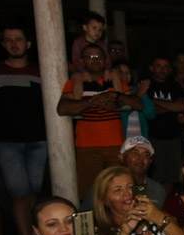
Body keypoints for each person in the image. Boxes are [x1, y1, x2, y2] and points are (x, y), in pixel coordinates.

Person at [57, 44, 143, 198]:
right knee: (88, 189)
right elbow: (62, 109)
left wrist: (115, 96)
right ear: (82, 61)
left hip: (116, 145)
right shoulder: (76, 83)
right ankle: (90, 221)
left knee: (120, 186)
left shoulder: (115, 82)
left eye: (98, 57)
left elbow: (138, 104)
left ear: (105, 60)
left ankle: (120, 220)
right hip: (87, 146)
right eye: (89, 57)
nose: (94, 60)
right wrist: (93, 101)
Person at [0, 23, 46, 235]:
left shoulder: (41, 71)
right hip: (7, 142)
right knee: (19, 193)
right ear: (3, 44)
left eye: (18, 39)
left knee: (33, 193)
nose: (14, 43)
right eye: (9, 39)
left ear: (28, 43)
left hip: (39, 140)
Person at [81, 136, 166, 210]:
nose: (140, 158)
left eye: (146, 155)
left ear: (150, 161)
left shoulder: (157, 190)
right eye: (134, 153)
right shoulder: (103, 185)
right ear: (121, 157)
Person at [145, 56, 184, 193]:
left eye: (165, 66)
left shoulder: (174, 86)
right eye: (158, 65)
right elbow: (146, 109)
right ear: (152, 68)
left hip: (173, 137)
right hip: (152, 137)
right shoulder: (146, 85)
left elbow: (182, 106)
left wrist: (154, 102)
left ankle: (167, 205)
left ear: (170, 69)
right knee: (154, 175)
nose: (162, 69)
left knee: (171, 175)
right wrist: (171, 107)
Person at [112, 60, 155, 140]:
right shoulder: (111, 92)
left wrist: (140, 95)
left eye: (127, 72)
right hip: (120, 140)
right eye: (121, 72)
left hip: (140, 140)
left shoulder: (137, 90)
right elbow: (121, 114)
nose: (124, 75)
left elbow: (151, 114)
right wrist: (137, 96)